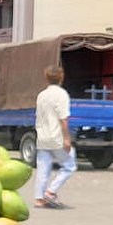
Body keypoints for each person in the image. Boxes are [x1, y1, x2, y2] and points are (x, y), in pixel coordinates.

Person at [34, 64, 76, 209]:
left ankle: (39, 199)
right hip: (56, 137)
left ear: (46, 78)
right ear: (61, 77)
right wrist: (66, 138)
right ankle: (51, 192)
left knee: (43, 167)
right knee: (70, 165)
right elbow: (63, 118)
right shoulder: (62, 94)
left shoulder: (41, 95)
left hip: (42, 136)